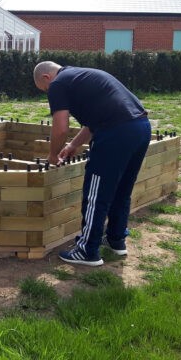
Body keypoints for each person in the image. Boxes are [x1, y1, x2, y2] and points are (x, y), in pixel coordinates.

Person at [33, 61, 151, 266]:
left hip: (115, 134)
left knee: (95, 194)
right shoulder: (82, 75)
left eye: (45, 90)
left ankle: (87, 250)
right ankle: (116, 239)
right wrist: (73, 145)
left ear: (46, 78)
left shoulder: (58, 84)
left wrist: (53, 156)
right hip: (140, 127)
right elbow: (94, 122)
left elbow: (60, 127)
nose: (48, 93)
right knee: (122, 189)